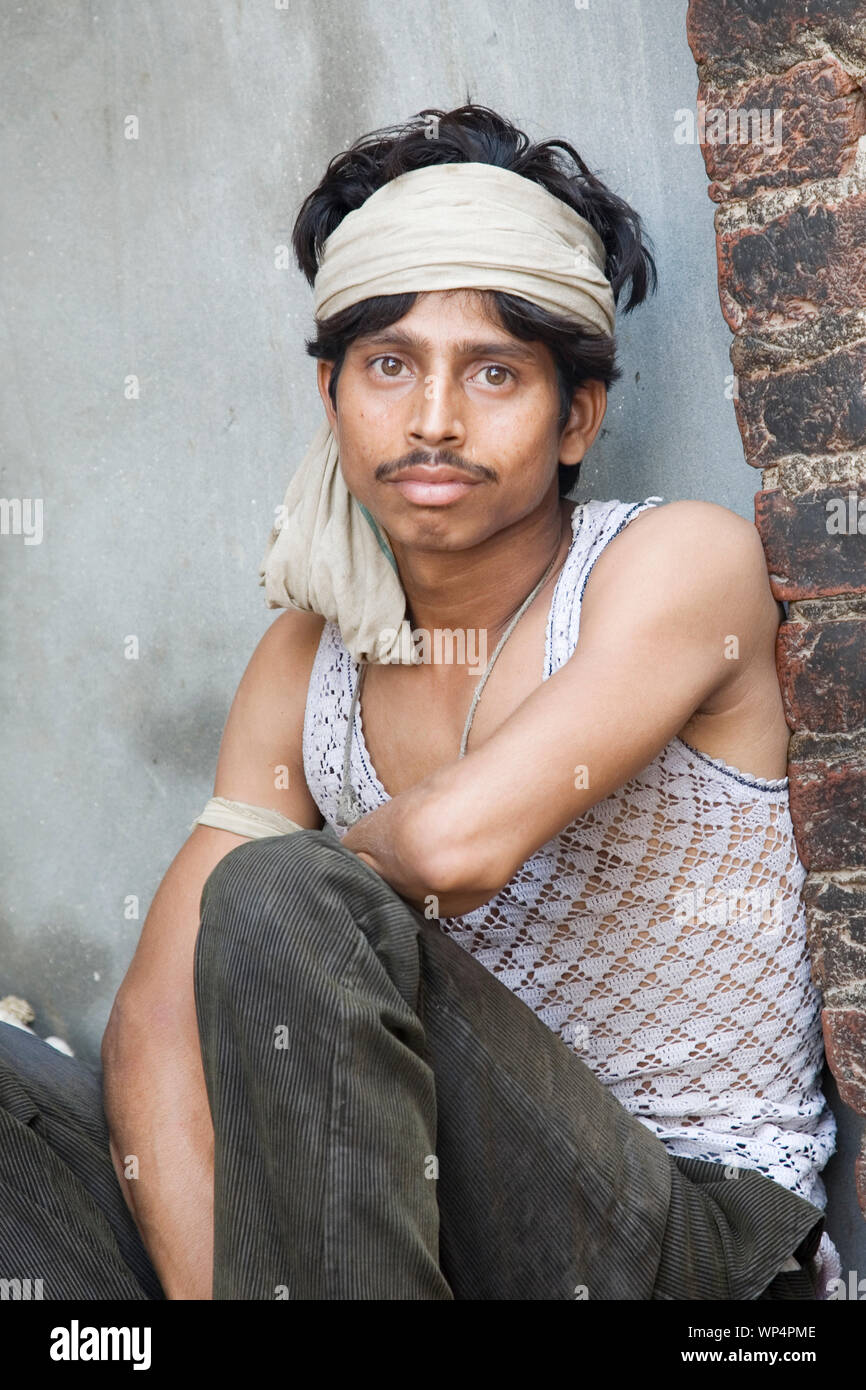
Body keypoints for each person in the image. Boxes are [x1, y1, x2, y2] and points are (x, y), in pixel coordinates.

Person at [0, 103, 839, 1301]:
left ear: (576, 417)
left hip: (692, 1249)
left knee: (278, 891)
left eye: (493, 373)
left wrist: (290, 904)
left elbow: (450, 846)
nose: (433, 418)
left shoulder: (668, 565)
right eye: (389, 366)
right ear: (333, 394)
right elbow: (152, 1033)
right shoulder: (305, 658)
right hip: (394, 1246)